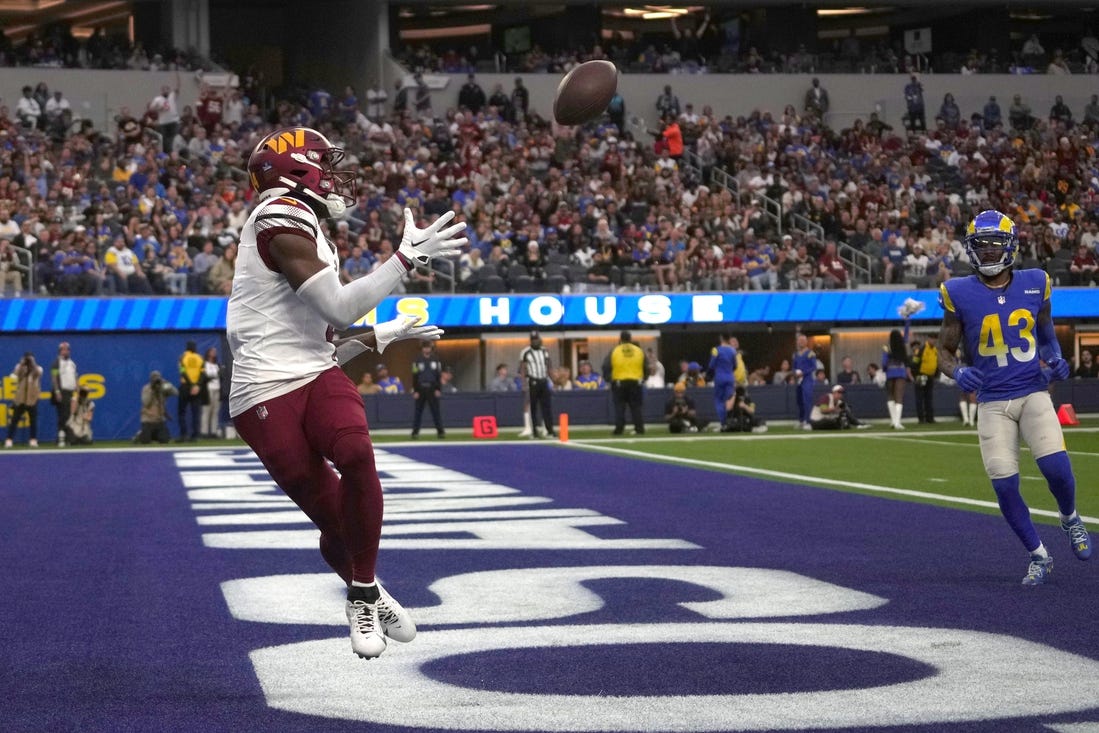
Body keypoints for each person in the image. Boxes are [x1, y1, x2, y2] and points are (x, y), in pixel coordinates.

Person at [227, 126, 465, 659]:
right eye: (325, 164)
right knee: (335, 519)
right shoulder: (278, 220)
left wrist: (380, 335)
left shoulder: (304, 222)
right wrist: (404, 260)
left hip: (315, 371)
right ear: (297, 171)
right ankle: (371, 587)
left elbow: (324, 340)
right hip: (262, 389)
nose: (336, 176)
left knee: (357, 453)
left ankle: (359, 592)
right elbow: (338, 307)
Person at [938, 209, 1091, 585]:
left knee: (1057, 470)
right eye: (981, 247)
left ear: (1011, 247)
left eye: (994, 246)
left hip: (1032, 390)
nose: (988, 254)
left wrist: (1055, 359)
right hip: (992, 401)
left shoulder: (1036, 281)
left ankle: (1069, 517)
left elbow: (1048, 335)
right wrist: (957, 370)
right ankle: (1039, 555)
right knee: (1004, 485)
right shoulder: (957, 291)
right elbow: (943, 350)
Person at [603, 330, 647, 435]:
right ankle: (639, 428)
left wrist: (609, 379)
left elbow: (606, 366)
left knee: (620, 407)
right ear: (631, 339)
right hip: (636, 382)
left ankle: (619, 429)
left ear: (620, 339)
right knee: (636, 407)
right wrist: (644, 378)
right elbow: (646, 366)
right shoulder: (639, 351)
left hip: (619, 383)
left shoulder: (615, 351)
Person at [518, 330, 555, 439]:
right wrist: (524, 383)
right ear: (530, 340)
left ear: (539, 339)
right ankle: (534, 432)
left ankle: (550, 430)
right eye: (533, 339)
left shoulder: (545, 351)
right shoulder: (525, 352)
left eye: (536, 339)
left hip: (543, 380)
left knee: (547, 407)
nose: (535, 341)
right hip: (533, 381)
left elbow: (549, 366)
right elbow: (523, 368)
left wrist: (553, 380)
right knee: (533, 408)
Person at [5, 352, 42, 448]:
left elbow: (38, 373)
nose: (28, 361)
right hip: (20, 398)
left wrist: (32, 363)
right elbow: (15, 375)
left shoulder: (37, 368)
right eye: (27, 359)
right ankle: (9, 439)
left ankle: (33, 439)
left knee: (33, 420)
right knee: (14, 420)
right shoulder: (20, 367)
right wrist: (22, 364)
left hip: (32, 399)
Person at [410, 340, 445, 439]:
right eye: (425, 347)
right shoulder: (417, 360)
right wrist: (416, 390)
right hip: (420, 388)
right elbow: (414, 376)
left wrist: (438, 389)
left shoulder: (436, 360)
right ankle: (415, 433)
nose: (427, 349)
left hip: (432, 388)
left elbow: (438, 375)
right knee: (418, 412)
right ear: (422, 348)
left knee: (435, 411)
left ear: (431, 348)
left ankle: (440, 432)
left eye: (428, 347)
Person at [136, 370, 177, 444]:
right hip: (148, 420)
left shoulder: (163, 387)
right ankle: (140, 435)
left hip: (160, 420)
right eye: (154, 379)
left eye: (158, 378)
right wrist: (152, 391)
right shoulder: (146, 388)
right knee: (145, 441)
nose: (156, 381)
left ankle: (155, 436)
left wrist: (168, 385)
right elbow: (145, 403)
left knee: (164, 440)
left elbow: (176, 393)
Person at [882, 324, 911, 429]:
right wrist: (907, 320)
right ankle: (897, 422)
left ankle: (893, 421)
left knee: (890, 395)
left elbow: (884, 362)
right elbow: (907, 335)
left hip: (890, 372)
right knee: (899, 397)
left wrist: (885, 370)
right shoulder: (902, 344)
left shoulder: (886, 347)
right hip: (900, 372)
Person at [50, 341, 78, 447]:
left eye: (67, 349)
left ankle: (67, 438)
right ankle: (62, 438)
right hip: (62, 392)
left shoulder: (72, 363)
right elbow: (54, 378)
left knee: (70, 415)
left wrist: (77, 391)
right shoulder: (56, 363)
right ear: (60, 351)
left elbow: (75, 378)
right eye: (64, 349)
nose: (66, 351)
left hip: (71, 392)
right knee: (63, 415)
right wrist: (57, 391)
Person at [177, 340, 205, 442]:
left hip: (185, 386)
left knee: (182, 412)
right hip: (196, 389)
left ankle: (184, 435)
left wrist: (190, 384)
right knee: (195, 413)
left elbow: (182, 372)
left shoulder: (182, 357)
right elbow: (203, 373)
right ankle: (195, 435)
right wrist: (197, 385)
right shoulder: (199, 358)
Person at [707, 332, 737, 427]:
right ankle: (729, 421)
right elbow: (735, 365)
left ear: (721, 338)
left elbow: (711, 365)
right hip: (730, 377)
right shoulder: (733, 351)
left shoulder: (716, 350)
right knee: (728, 399)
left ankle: (723, 423)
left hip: (719, 377)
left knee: (719, 400)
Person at [792, 333, 819, 430]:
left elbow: (813, 367)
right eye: (799, 340)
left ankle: (808, 421)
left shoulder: (811, 353)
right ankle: (801, 420)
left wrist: (803, 373)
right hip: (798, 381)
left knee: (807, 400)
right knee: (799, 401)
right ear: (797, 342)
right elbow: (793, 367)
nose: (801, 342)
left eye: (803, 340)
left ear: (806, 342)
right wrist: (795, 373)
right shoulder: (795, 354)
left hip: (807, 380)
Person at [911, 334, 939, 424]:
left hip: (930, 376)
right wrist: (916, 375)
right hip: (921, 375)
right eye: (932, 339)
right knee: (920, 397)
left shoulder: (935, 350)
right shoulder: (922, 349)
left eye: (935, 339)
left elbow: (937, 362)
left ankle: (930, 418)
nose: (934, 341)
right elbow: (915, 362)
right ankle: (921, 419)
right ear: (928, 339)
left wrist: (936, 375)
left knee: (929, 398)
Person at [200, 347, 225, 438]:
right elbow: (203, 377)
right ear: (208, 353)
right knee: (206, 411)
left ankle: (213, 432)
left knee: (215, 411)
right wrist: (214, 376)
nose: (214, 353)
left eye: (215, 351)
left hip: (217, 389)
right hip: (208, 390)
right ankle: (204, 432)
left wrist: (221, 373)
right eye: (212, 351)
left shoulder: (217, 365)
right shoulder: (204, 364)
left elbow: (221, 377)